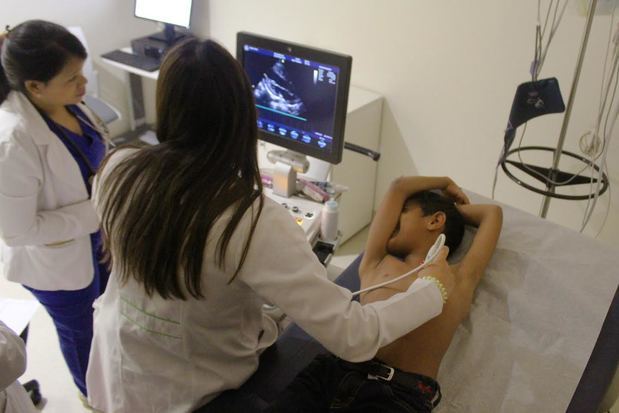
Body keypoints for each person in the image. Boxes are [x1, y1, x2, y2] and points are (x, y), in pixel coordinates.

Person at [85, 37, 457, 413]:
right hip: (188, 395)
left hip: (118, 369)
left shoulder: (118, 169)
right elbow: (355, 336)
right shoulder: (248, 220)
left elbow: (180, 281)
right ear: (242, 115)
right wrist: (433, 290)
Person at [266, 176, 503, 412]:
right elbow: (399, 186)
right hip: (333, 372)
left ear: (435, 221)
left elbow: (492, 214)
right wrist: (443, 182)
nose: (392, 218)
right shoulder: (377, 262)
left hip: (400, 394)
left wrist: (452, 210)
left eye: (404, 212)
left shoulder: (457, 279)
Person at [0, 20, 110, 399]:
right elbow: (17, 231)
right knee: (81, 334)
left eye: (82, 72)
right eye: (72, 78)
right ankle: (93, 398)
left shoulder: (69, 105)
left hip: (98, 241)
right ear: (35, 87)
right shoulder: (12, 142)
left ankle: (113, 380)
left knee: (106, 314)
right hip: (56, 262)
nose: (84, 83)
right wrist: (97, 212)